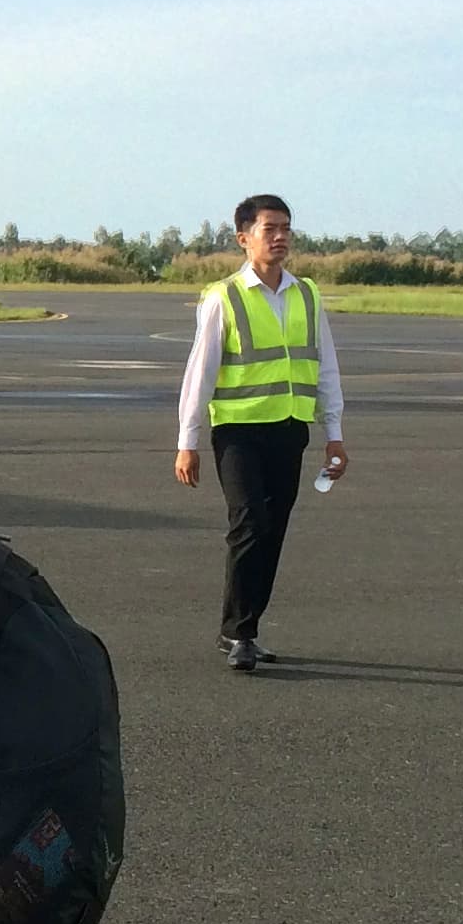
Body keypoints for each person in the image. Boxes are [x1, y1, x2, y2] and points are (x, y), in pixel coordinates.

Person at [173, 193, 347, 671]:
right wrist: (188, 442)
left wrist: (333, 431)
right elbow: (199, 373)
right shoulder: (223, 297)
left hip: (289, 430)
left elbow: (325, 367)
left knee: (272, 531)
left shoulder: (306, 294)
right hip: (239, 432)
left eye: (286, 228)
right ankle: (239, 633)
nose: (280, 237)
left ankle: (244, 627)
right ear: (243, 238)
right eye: (270, 229)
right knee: (248, 522)